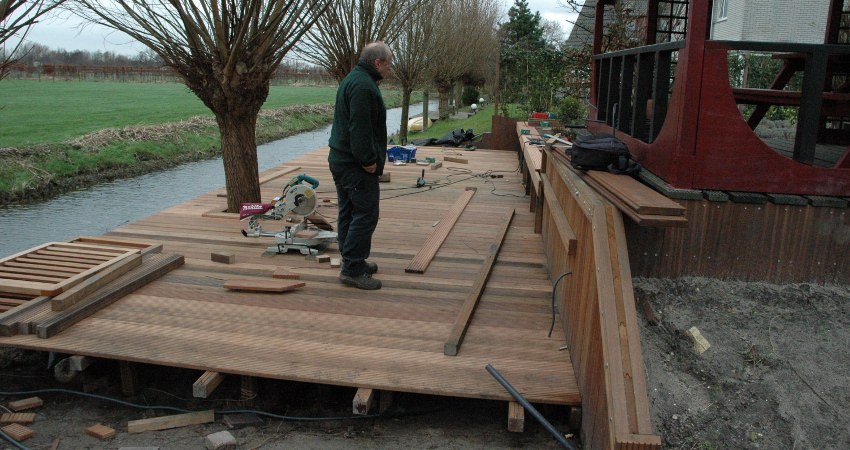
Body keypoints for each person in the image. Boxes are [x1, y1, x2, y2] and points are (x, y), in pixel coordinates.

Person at [328, 42, 392, 290]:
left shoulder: (354, 79)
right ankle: (353, 269)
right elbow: (360, 129)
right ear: (377, 62)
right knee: (365, 215)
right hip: (355, 165)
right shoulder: (364, 87)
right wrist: (368, 161)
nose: (389, 68)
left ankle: (353, 260)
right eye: (387, 63)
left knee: (348, 213)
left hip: (341, 160)